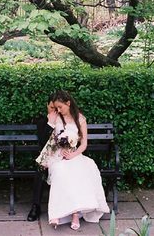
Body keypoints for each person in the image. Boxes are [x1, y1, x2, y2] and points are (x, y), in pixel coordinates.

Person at [36, 90, 109, 231]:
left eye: (60, 107)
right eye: (56, 108)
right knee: (60, 171)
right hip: (57, 157)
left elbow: (84, 144)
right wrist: (51, 123)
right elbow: (49, 141)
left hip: (75, 155)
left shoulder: (80, 119)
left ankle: (76, 214)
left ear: (68, 103)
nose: (58, 110)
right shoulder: (56, 118)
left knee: (78, 171)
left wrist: (72, 154)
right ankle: (56, 213)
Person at [27, 93, 57, 221]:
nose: (54, 111)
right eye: (51, 108)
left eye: (57, 108)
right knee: (40, 169)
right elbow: (43, 142)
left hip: (63, 156)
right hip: (47, 156)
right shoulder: (42, 122)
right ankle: (36, 206)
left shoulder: (66, 120)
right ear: (47, 105)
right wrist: (50, 124)